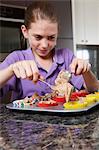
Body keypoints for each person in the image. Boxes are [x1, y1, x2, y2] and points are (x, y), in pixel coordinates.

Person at [0, 1, 98, 101]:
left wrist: (86, 72)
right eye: (38, 37)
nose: (44, 45)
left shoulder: (66, 56)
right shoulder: (17, 58)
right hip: (25, 117)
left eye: (51, 37)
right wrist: (11, 70)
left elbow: (94, 89)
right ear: (25, 32)